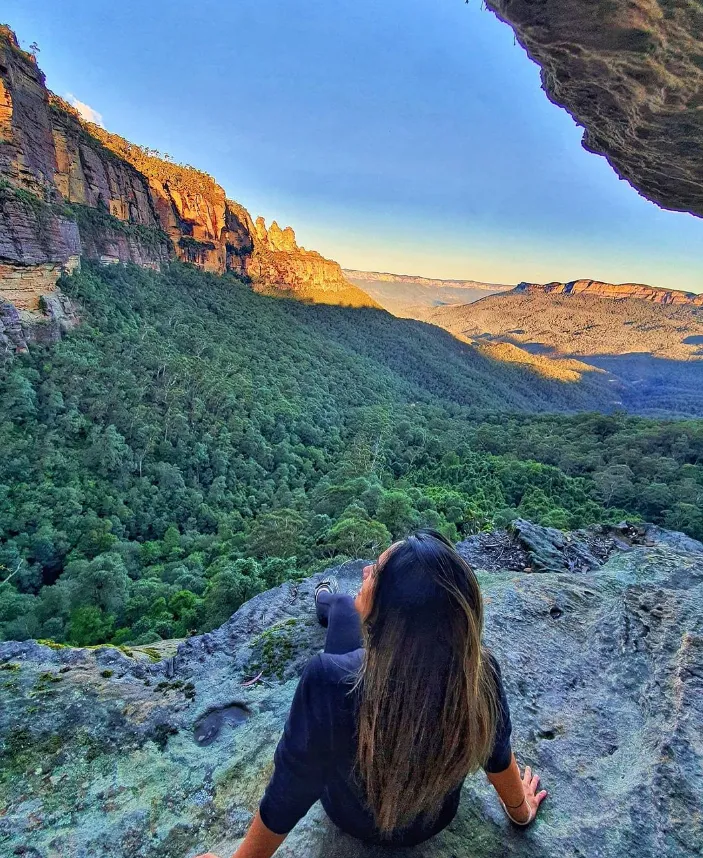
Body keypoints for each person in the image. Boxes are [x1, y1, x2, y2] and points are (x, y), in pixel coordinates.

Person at [197, 530, 546, 858]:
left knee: (344, 609)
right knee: (346, 608)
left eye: (375, 573)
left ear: (388, 617)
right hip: (433, 823)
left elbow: (290, 790)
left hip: (351, 820)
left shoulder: (330, 680)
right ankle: (327, 598)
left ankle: (325, 597)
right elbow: (497, 754)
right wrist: (521, 811)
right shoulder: (478, 674)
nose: (366, 570)